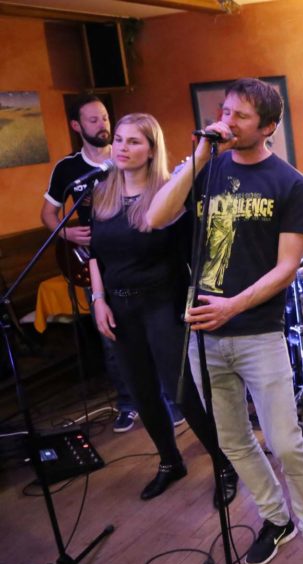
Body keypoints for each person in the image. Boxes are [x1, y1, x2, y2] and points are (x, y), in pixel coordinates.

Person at [146, 78, 303, 564]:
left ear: (268, 127)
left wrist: (233, 306)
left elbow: (287, 267)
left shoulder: (290, 183)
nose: (227, 122)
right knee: (232, 440)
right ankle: (276, 519)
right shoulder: (206, 168)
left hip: (257, 332)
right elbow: (156, 217)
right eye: (225, 111)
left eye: (241, 117)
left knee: (286, 443)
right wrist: (197, 159)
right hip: (202, 335)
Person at [88, 113, 238, 504]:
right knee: (141, 392)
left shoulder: (171, 192)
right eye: (119, 139)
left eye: (133, 141)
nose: (122, 148)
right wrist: (98, 300)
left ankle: (224, 464)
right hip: (119, 307)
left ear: (152, 150)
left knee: (181, 390)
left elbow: (194, 254)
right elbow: (94, 254)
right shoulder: (101, 193)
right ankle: (170, 461)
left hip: (162, 303)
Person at [40, 95, 141, 433]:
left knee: (146, 331)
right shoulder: (68, 169)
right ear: (76, 126)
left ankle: (167, 400)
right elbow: (48, 213)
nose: (103, 125)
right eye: (93, 120)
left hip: (135, 256)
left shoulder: (126, 155)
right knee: (110, 337)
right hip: (97, 263)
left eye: (105, 118)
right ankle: (127, 403)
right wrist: (67, 233)